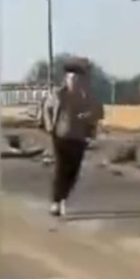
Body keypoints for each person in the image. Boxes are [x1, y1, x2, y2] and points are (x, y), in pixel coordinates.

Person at [46, 58, 104, 217]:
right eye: (71, 79)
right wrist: (50, 125)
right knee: (61, 169)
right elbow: (47, 109)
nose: (74, 82)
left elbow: (99, 113)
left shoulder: (88, 97)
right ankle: (56, 202)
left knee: (73, 171)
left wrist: (86, 116)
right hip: (61, 136)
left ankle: (64, 198)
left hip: (79, 138)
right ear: (66, 80)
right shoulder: (59, 94)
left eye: (77, 79)